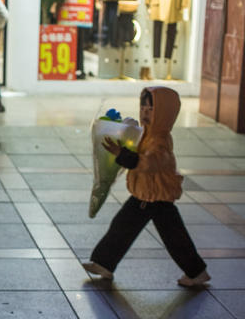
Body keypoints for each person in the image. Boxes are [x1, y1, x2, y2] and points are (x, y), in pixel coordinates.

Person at [82, 87, 211, 287]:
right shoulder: (147, 134)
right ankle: (103, 263)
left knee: (170, 236)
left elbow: (151, 162)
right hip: (146, 195)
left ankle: (196, 272)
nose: (145, 112)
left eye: (151, 109)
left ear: (165, 113)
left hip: (154, 197)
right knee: (125, 227)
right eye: (143, 107)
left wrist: (123, 154)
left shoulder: (159, 139)